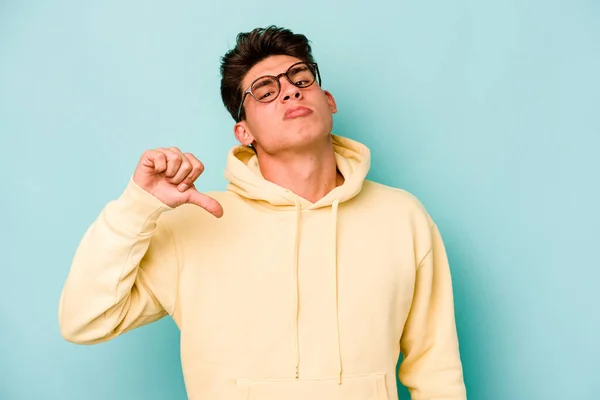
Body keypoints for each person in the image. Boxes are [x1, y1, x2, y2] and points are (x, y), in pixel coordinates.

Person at [58, 26, 467, 400]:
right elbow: (84, 321)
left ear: (328, 102)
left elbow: (436, 372)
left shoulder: (401, 216)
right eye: (265, 91)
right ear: (244, 132)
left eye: (301, 79)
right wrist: (137, 206)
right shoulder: (195, 223)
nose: (289, 91)